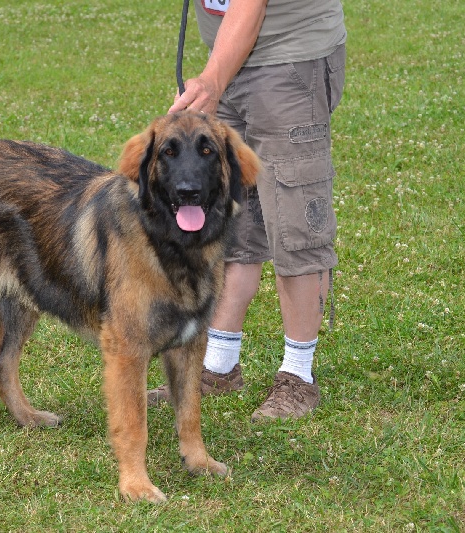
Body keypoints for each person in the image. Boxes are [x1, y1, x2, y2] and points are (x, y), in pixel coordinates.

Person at [148, 0, 346, 421]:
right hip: (228, 56)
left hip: (290, 59)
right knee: (233, 219)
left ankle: (298, 376)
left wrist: (212, 79)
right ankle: (218, 366)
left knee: (294, 224)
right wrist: (218, 73)